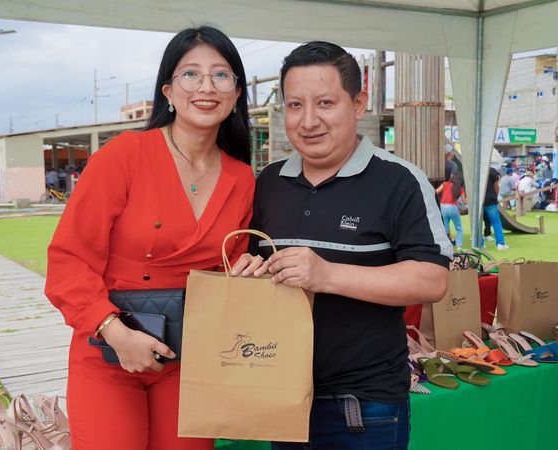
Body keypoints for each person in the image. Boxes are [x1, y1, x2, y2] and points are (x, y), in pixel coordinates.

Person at [45, 26, 257, 450]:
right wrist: (116, 333)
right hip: (108, 350)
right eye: (191, 74)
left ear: (236, 94)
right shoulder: (124, 155)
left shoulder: (242, 178)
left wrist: (246, 270)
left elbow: (227, 269)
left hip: (189, 359)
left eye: (220, 75)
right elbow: (69, 259)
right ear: (169, 91)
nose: (206, 86)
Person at [236, 41, 452, 450]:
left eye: (325, 103)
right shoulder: (269, 182)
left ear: (358, 104)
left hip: (363, 406)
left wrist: (327, 274)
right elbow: (254, 261)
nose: (308, 121)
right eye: (295, 105)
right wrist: (249, 270)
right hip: (280, 392)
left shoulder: (400, 180)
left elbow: (432, 279)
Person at [436, 171, 467, 249]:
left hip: (443, 207)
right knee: (458, 228)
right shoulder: (460, 189)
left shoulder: (445, 184)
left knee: (445, 227)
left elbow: (435, 192)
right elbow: (464, 202)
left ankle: (442, 244)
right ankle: (459, 246)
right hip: (453, 207)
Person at [483, 166, 509, 249]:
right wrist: (495, 196)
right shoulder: (492, 171)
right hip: (490, 199)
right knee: (496, 222)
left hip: (478, 201)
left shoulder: (476, 170)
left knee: (477, 223)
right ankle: (500, 243)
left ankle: (480, 244)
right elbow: (496, 185)